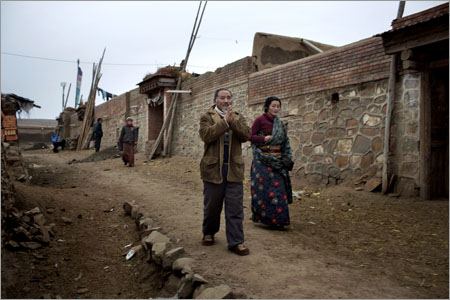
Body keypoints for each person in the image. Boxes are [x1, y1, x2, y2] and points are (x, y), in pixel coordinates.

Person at [199, 88, 252, 256]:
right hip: (213, 168)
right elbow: (206, 135)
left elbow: (246, 135)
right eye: (223, 98)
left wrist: (232, 122)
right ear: (216, 100)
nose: (226, 101)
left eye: (229, 97)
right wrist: (224, 123)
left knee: (235, 208)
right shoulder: (207, 117)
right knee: (212, 206)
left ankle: (236, 242)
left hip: (233, 169)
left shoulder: (237, 116)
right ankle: (209, 232)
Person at [249, 96, 294, 230]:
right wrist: (264, 138)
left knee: (279, 191)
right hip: (262, 161)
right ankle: (266, 219)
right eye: (273, 106)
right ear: (267, 106)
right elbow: (249, 136)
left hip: (277, 162)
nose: (275, 108)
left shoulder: (279, 123)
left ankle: (280, 221)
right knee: (264, 191)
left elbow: (285, 142)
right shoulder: (260, 120)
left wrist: (287, 157)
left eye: (278, 106)